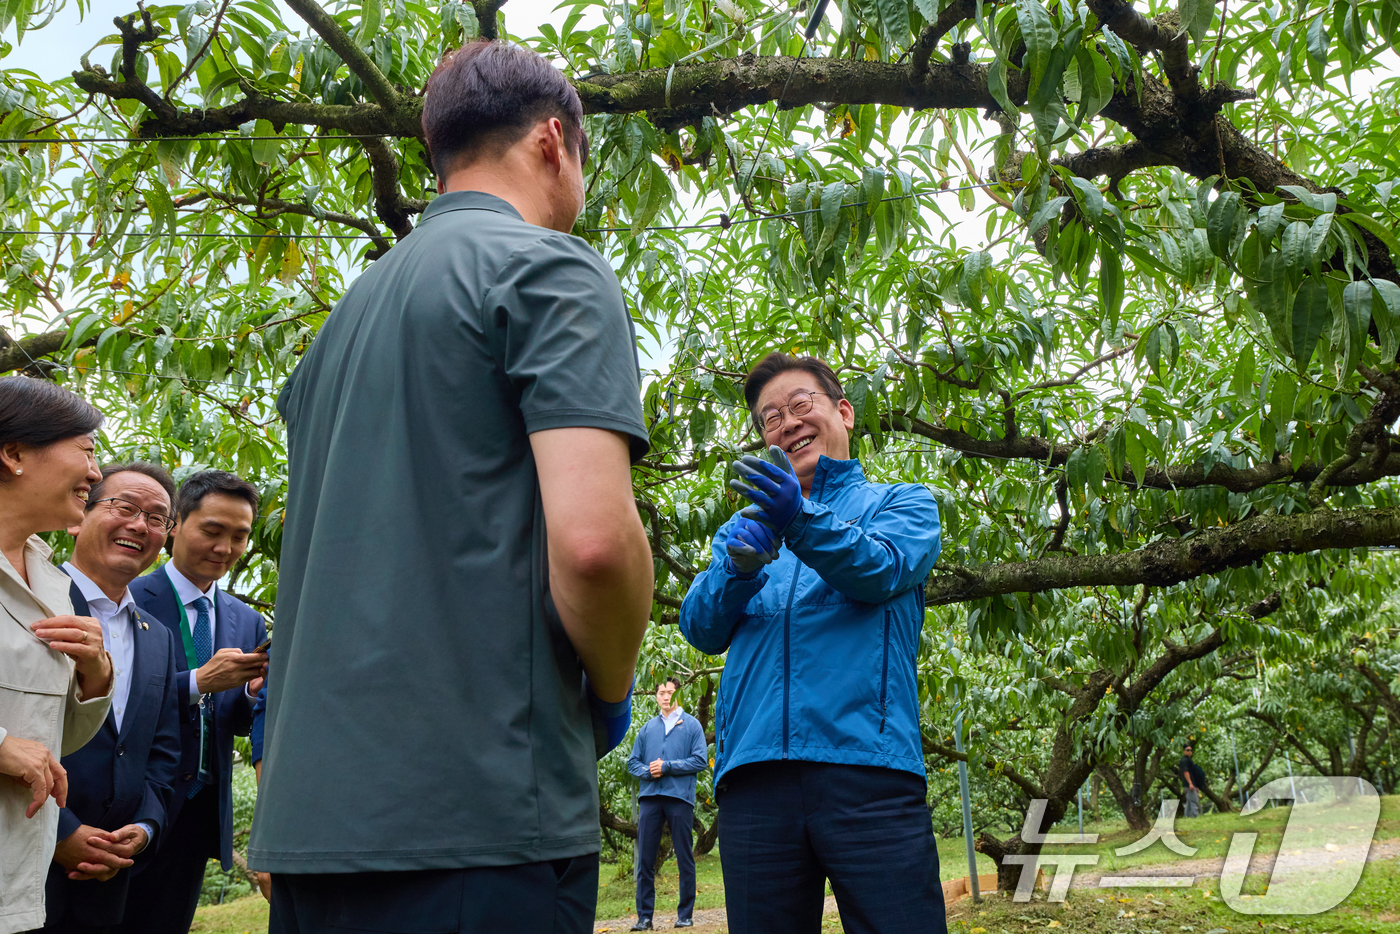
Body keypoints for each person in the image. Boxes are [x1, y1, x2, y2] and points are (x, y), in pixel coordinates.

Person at [248, 38, 654, 934]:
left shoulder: (341, 328)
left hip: (316, 836)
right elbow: (591, 546)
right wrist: (613, 686)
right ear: (556, 141)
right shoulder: (547, 268)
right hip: (478, 817)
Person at [680, 354, 947, 934]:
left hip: (868, 769)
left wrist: (798, 520)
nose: (788, 423)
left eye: (802, 405)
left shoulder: (902, 503)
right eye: (770, 418)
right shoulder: (744, 528)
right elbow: (700, 628)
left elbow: (880, 569)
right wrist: (737, 568)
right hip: (755, 778)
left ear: (843, 412)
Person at [116, 471, 268, 934]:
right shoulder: (129, 598)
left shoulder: (247, 620)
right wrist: (197, 681)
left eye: (239, 536)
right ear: (176, 524)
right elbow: (113, 699)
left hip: (200, 813)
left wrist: (247, 693)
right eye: (213, 530)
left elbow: (236, 721)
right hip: (132, 805)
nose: (225, 548)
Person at [43, 463, 183, 934]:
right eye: (123, 507)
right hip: (22, 861)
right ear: (77, 516)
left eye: (157, 517)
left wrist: (144, 829)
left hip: (109, 879)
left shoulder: (159, 637)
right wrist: (60, 832)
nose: (139, 525)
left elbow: (161, 751)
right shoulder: (31, 602)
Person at [0, 376, 114, 934]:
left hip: (19, 868)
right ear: (14, 453)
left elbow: (50, 740)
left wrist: (95, 672)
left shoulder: (50, 579)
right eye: (87, 451)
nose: (95, 472)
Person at [626, 678, 707, 931]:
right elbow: (632, 763)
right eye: (661, 692)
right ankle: (644, 917)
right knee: (645, 861)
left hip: (679, 798)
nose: (665, 697)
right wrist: (650, 771)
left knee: (685, 857)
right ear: (656, 696)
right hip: (650, 798)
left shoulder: (692, 725)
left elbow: (700, 761)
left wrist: (668, 766)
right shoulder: (647, 728)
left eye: (670, 692)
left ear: (677, 694)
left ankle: (685, 914)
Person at [1179, 743, 1207, 817]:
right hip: (1189, 784)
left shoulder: (1189, 760)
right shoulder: (1184, 760)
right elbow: (1186, 772)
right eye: (1187, 750)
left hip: (1192, 784)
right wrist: (1190, 783)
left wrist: (1196, 785)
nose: (1189, 752)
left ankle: (1187, 817)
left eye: (1191, 750)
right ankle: (1194, 816)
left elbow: (1193, 774)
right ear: (1184, 751)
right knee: (1194, 801)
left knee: (1189, 802)